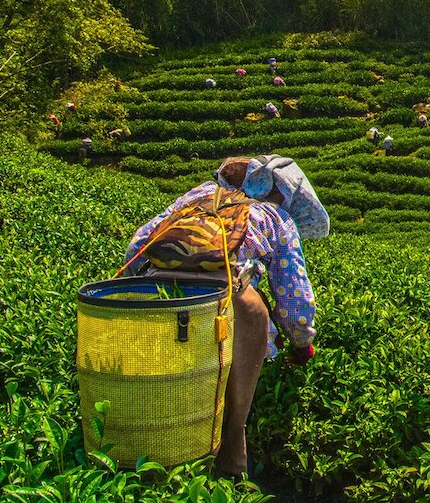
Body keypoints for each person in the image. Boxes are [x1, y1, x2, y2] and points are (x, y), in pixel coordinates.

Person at [121, 155, 330, 480]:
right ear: (281, 193)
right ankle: (233, 449)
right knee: (247, 314)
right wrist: (302, 346)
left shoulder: (195, 198)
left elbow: (135, 250)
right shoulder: (274, 217)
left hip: (156, 306)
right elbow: (296, 303)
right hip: (227, 322)